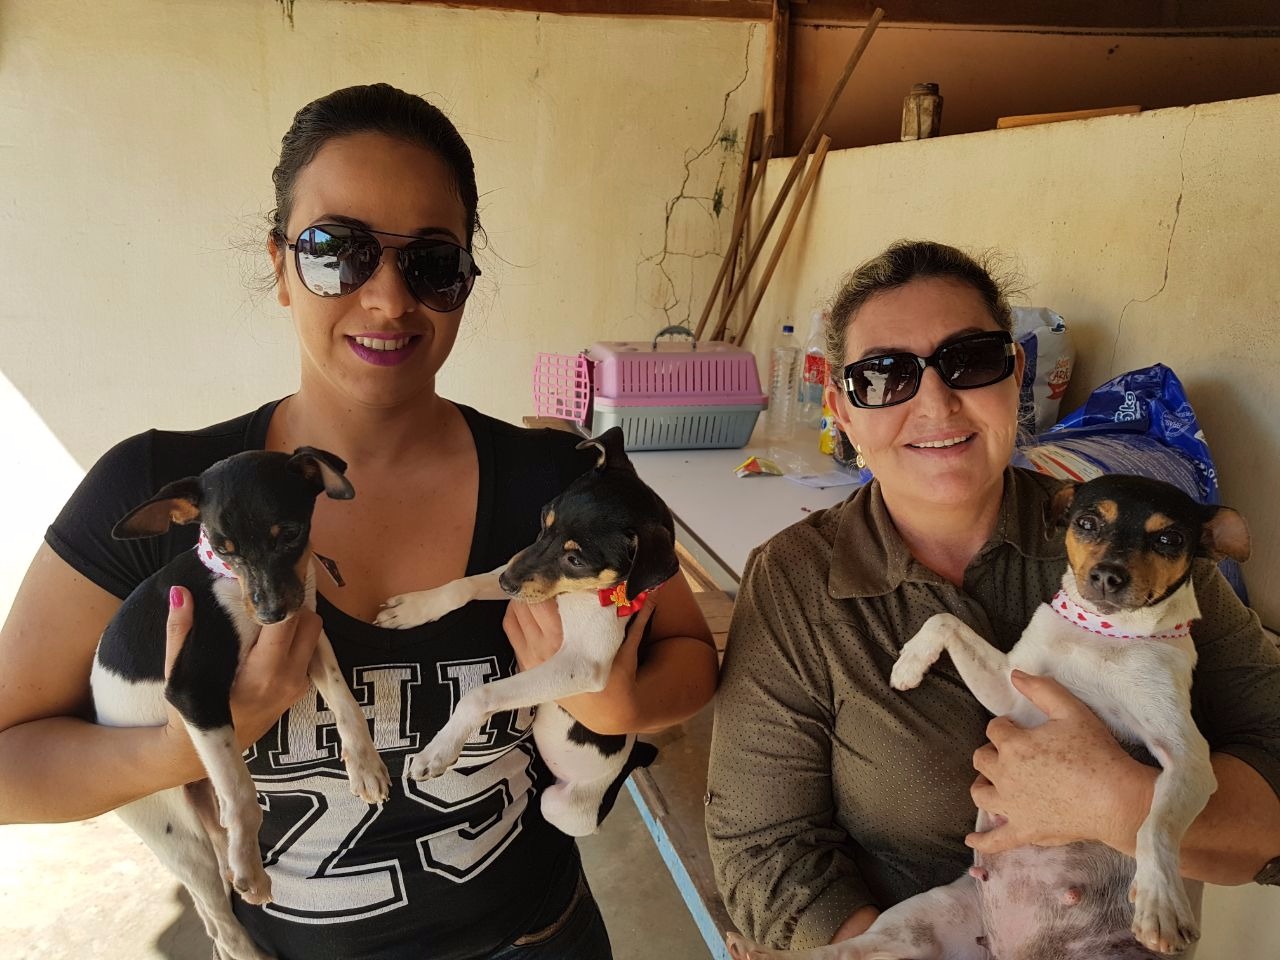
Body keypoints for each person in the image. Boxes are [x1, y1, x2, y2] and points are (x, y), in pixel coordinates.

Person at [0, 83, 718, 960]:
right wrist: (179, 751)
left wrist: (622, 699)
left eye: (431, 262)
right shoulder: (153, 492)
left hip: (540, 938)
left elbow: (694, 658)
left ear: (465, 282)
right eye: (336, 250)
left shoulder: (562, 486)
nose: (387, 299)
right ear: (278, 265)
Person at [705, 239, 1280, 950]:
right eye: (884, 377)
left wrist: (1116, 805)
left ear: (1017, 376)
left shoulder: (1129, 550)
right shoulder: (796, 580)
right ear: (843, 414)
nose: (936, 403)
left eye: (969, 360)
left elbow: (1272, 743)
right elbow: (764, 848)